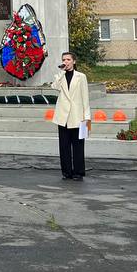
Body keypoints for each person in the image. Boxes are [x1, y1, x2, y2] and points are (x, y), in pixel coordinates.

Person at [50, 51, 89, 181]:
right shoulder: (60, 76)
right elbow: (54, 87)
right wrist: (61, 73)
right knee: (64, 145)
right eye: (64, 59)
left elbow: (85, 98)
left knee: (78, 145)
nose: (65, 62)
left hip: (77, 116)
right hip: (63, 116)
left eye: (68, 59)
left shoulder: (81, 76)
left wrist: (87, 117)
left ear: (74, 61)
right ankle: (66, 172)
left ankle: (78, 172)